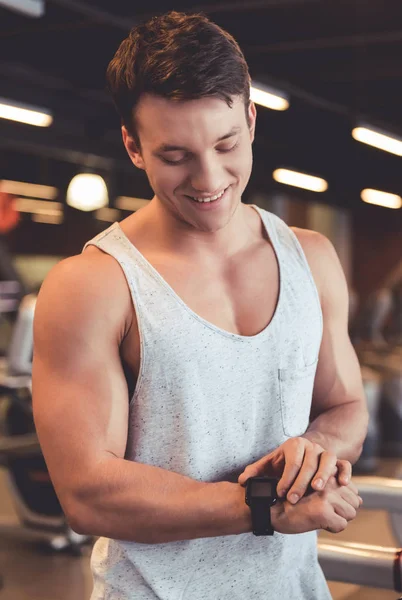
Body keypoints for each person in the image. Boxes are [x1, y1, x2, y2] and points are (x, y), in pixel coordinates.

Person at [32, 11, 369, 600]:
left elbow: (345, 408)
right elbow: (87, 492)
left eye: (225, 143)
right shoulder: (92, 284)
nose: (209, 178)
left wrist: (313, 456)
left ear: (252, 119)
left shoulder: (311, 259)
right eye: (175, 155)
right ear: (133, 146)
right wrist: (260, 506)